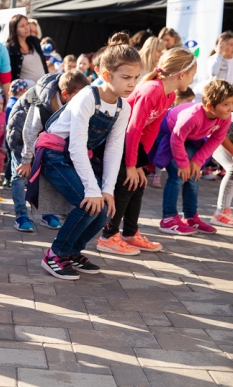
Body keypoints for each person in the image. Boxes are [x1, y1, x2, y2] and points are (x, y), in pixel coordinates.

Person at [35, 34, 137, 280]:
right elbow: (76, 147)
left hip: (78, 157)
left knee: (102, 209)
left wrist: (107, 190)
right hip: (55, 155)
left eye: (136, 77)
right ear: (106, 75)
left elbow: (114, 149)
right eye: (126, 77)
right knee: (86, 202)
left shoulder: (124, 107)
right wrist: (92, 189)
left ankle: (71, 252)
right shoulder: (86, 97)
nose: (132, 83)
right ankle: (54, 254)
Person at [99, 47, 197, 254]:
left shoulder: (169, 96)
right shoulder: (151, 89)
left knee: (139, 184)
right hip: (118, 138)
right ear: (182, 75)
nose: (192, 80)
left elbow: (151, 130)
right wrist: (131, 165)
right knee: (126, 184)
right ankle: (108, 236)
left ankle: (130, 233)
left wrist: (141, 165)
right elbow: (132, 129)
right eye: (192, 75)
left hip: (131, 142)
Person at [152, 79, 233, 235]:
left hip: (190, 139)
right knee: (178, 175)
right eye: (225, 104)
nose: (230, 108)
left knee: (193, 176)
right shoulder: (192, 116)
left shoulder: (225, 117)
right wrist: (183, 164)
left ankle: (190, 217)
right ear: (209, 106)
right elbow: (176, 138)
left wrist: (197, 161)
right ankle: (168, 219)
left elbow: (216, 139)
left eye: (231, 103)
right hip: (169, 134)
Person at [14, 71, 88, 232]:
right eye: (80, 96)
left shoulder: (74, 103)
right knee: (20, 176)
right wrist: (26, 160)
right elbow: (29, 131)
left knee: (46, 175)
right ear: (65, 94)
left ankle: (47, 214)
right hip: (20, 134)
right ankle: (21, 216)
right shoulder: (42, 102)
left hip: (45, 142)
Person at [6, 14, 47, 91]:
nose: (26, 27)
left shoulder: (34, 42)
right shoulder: (10, 49)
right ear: (14, 29)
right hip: (25, 92)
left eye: (27, 24)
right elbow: (10, 74)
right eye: (22, 26)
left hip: (43, 88)